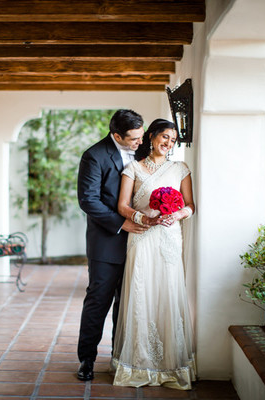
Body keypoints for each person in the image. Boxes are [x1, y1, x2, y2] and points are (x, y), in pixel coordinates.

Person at [111, 118, 196, 390]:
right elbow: (122, 206)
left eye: (172, 140)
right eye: (164, 137)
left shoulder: (180, 168)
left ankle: (170, 364)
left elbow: (191, 205)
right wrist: (142, 216)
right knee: (141, 292)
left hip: (170, 237)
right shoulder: (132, 168)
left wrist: (177, 213)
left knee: (167, 291)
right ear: (151, 136)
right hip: (142, 236)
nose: (168, 143)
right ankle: (139, 363)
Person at [76, 109, 152, 381]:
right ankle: (87, 359)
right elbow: (88, 200)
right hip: (107, 242)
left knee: (130, 302)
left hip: (143, 241)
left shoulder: (145, 150)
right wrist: (122, 224)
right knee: (99, 301)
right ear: (116, 135)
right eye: (133, 139)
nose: (139, 143)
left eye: (141, 137)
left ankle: (121, 357)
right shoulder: (94, 156)